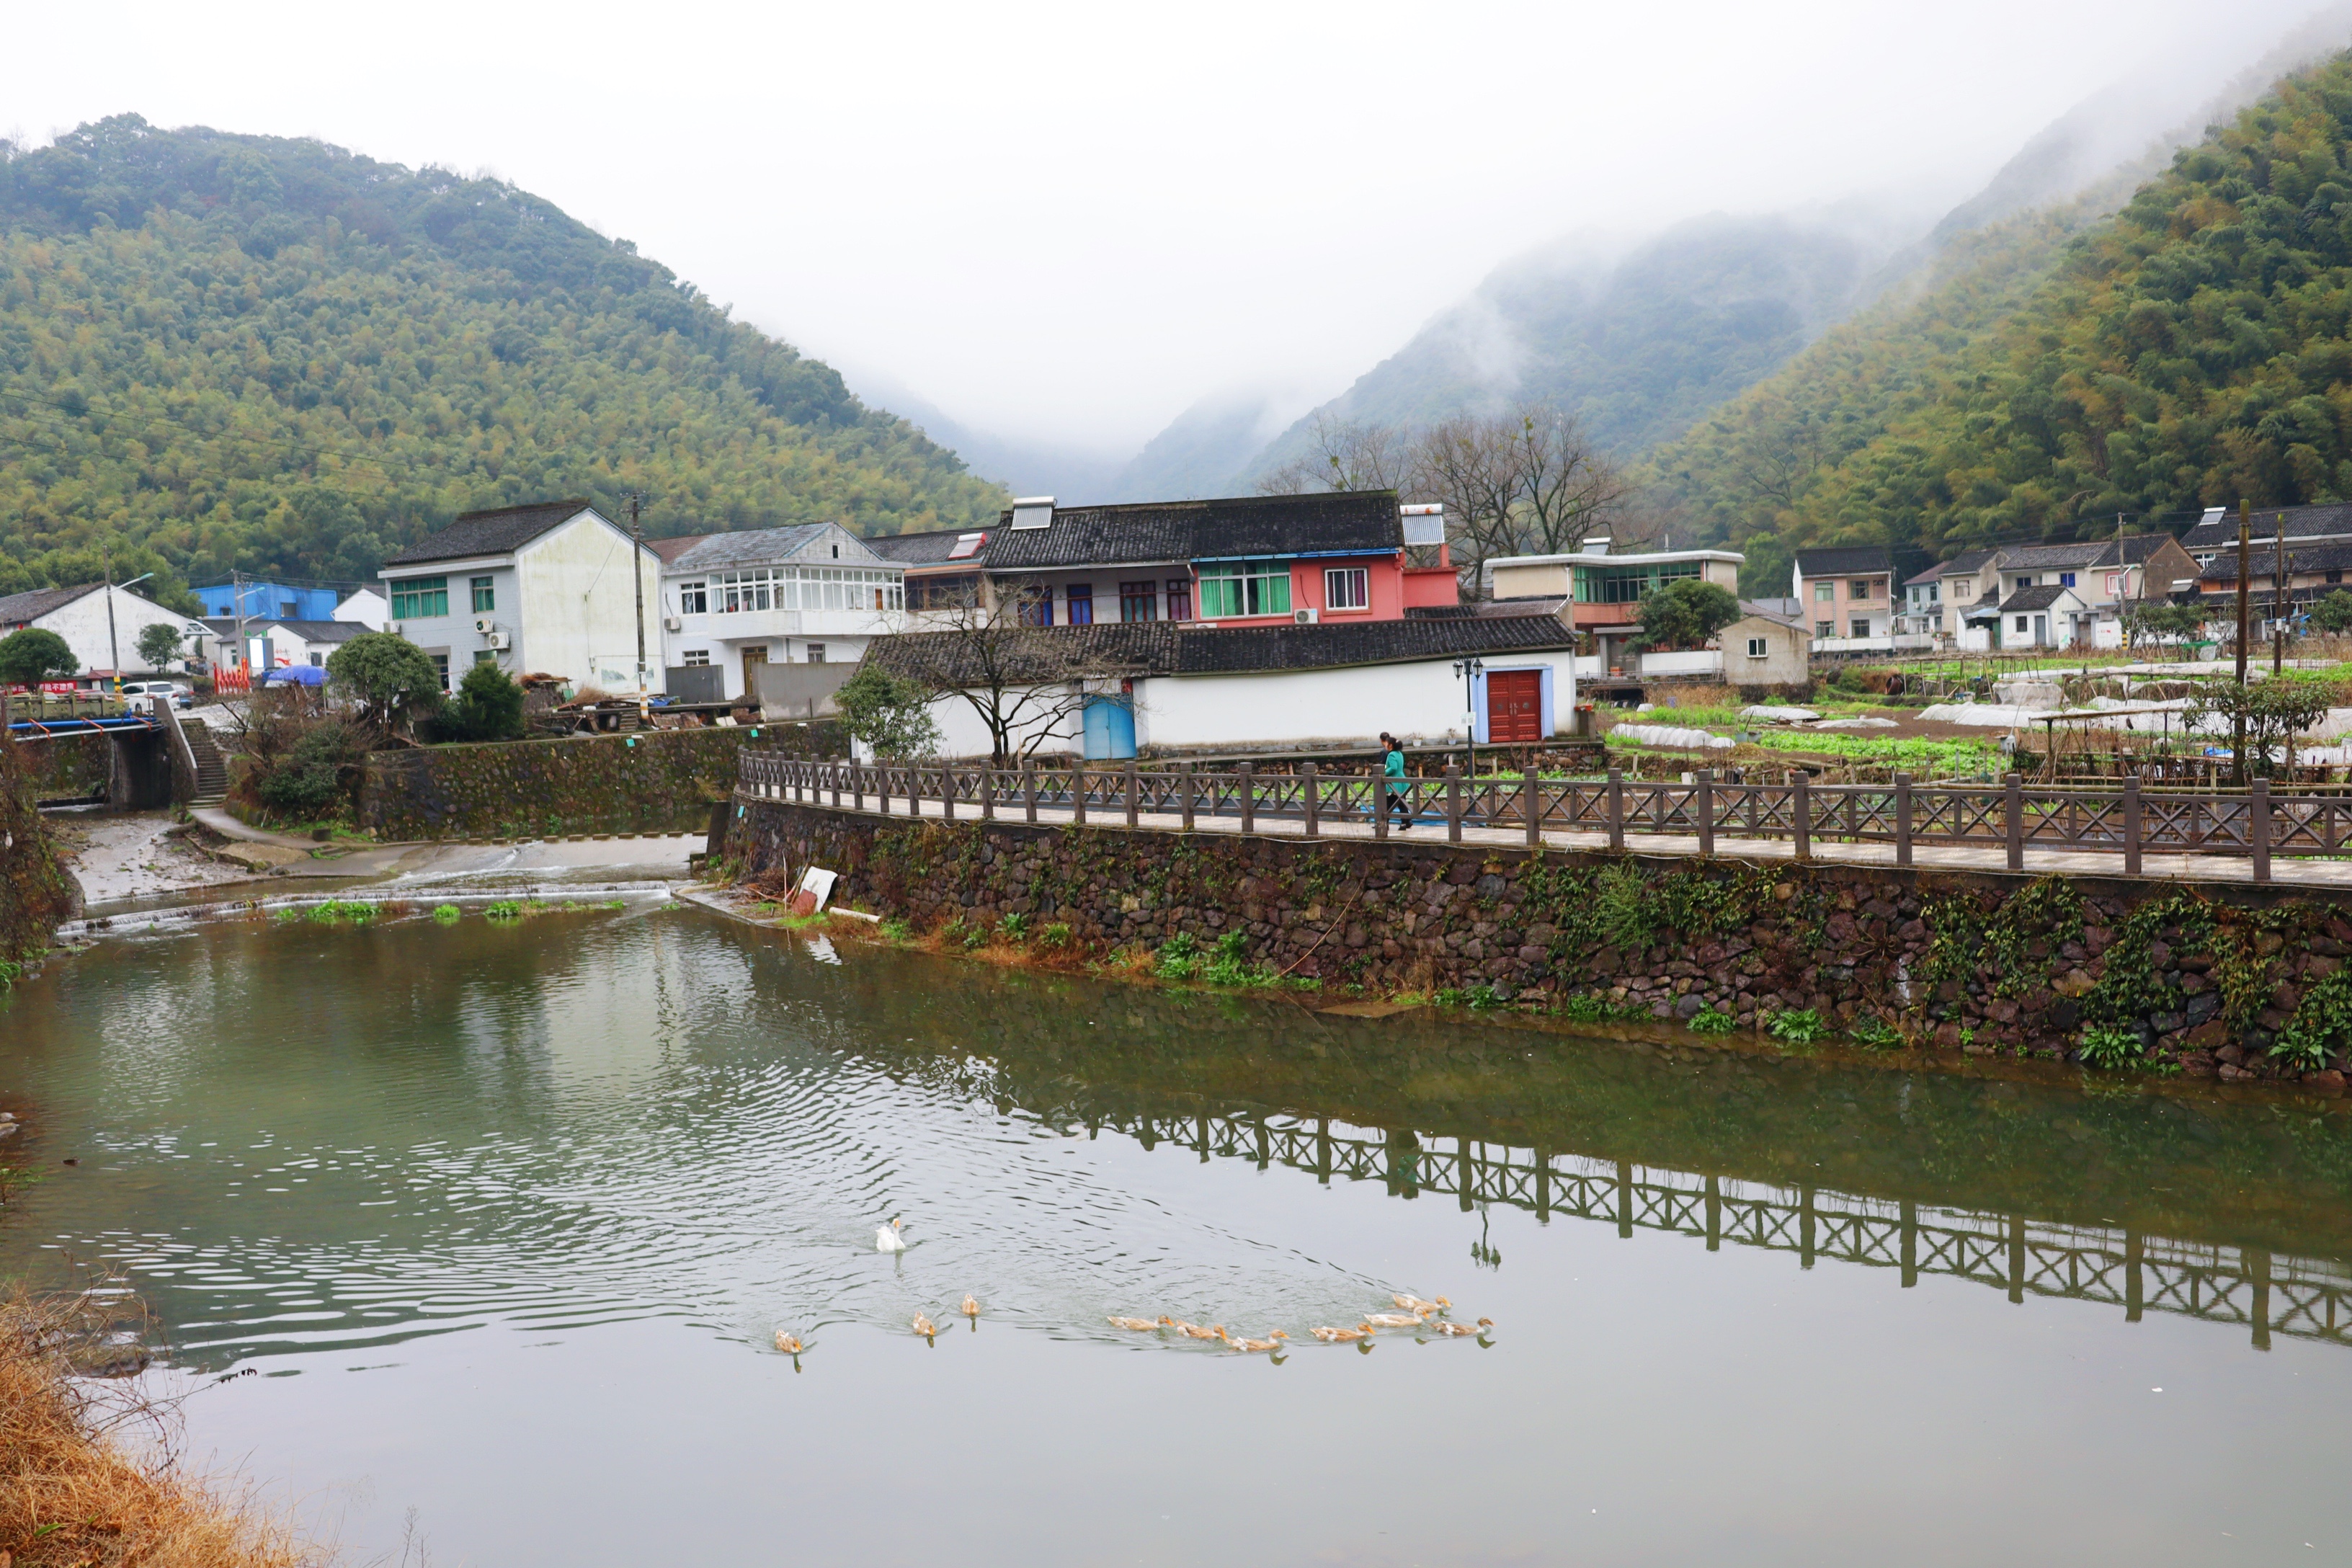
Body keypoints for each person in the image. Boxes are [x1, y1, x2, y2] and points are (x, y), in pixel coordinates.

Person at [1383, 734, 1412, 829]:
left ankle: (1384, 823)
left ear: (1390, 745)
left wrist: (1383, 772)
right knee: (1402, 803)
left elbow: (1393, 768)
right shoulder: (1399, 753)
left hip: (1394, 783)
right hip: (1401, 780)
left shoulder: (1391, 755)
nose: (1385, 745)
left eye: (1386, 743)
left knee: (1388, 804)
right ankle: (1406, 822)